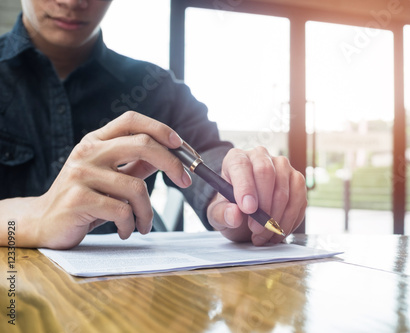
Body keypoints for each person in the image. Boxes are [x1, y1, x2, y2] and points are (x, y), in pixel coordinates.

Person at [0, 0, 307, 249]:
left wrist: (236, 194)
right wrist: (34, 217)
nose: (73, 2)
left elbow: (208, 152)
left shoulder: (155, 87)